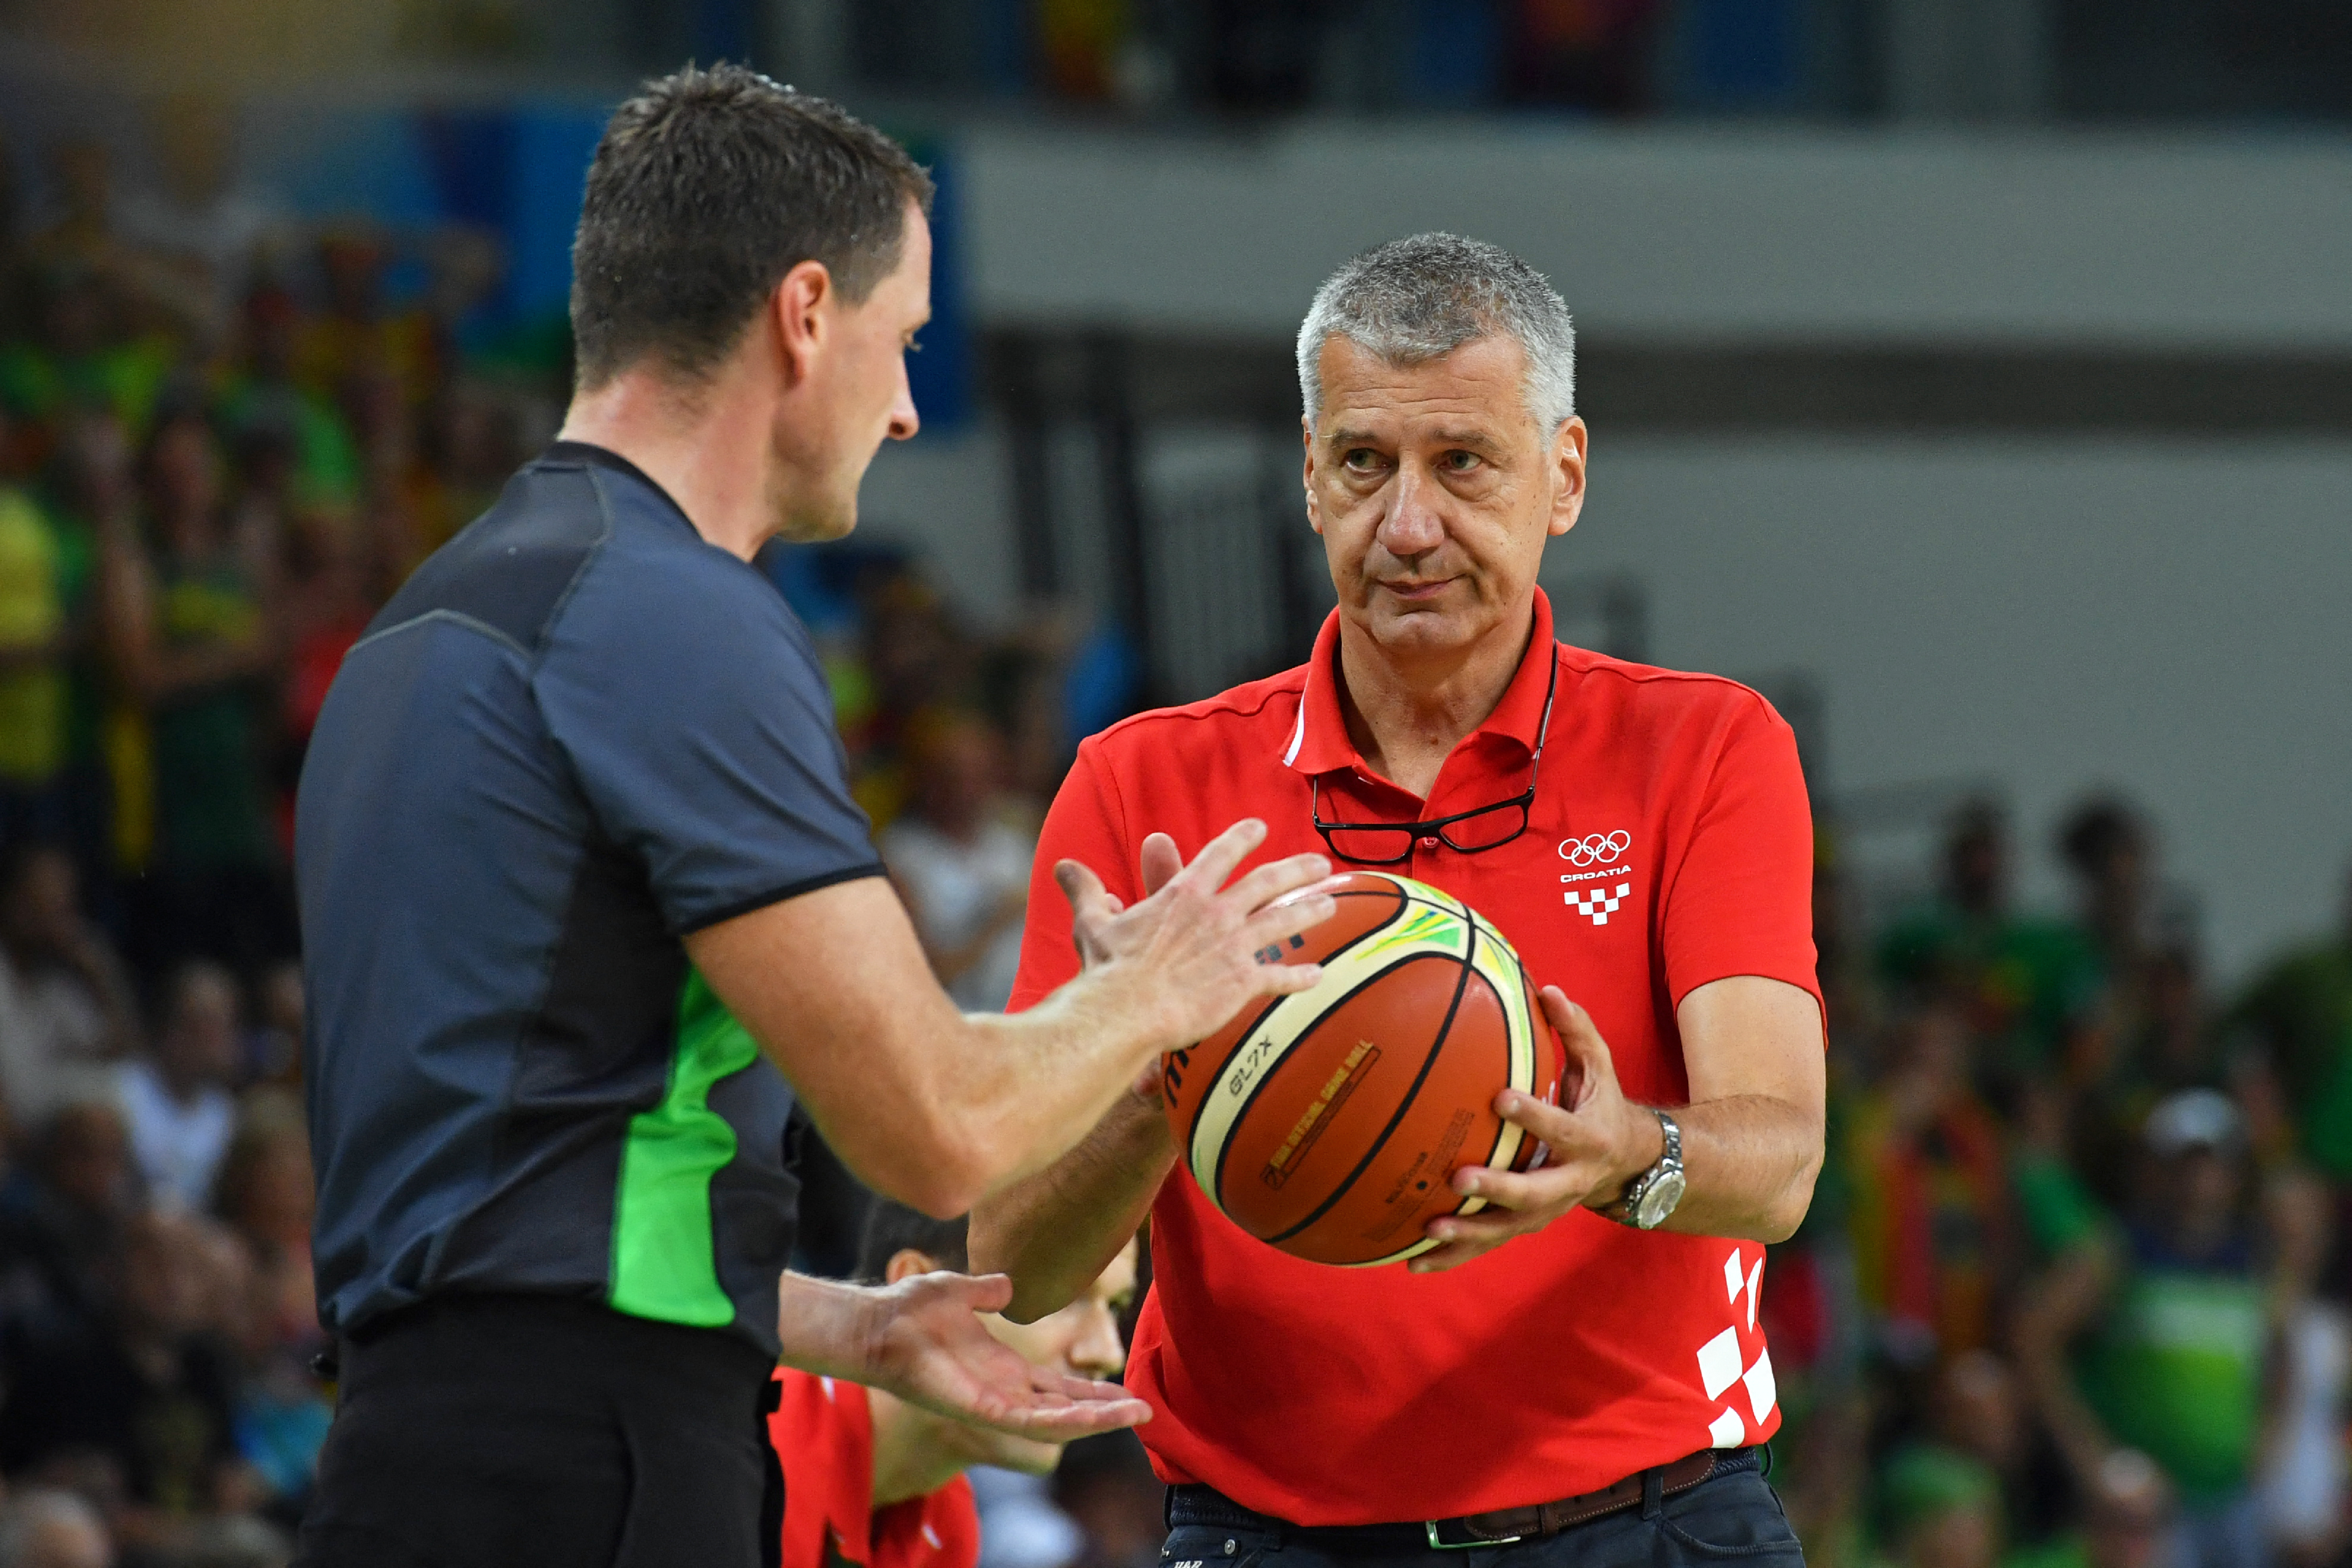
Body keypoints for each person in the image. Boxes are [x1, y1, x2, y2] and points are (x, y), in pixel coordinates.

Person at [291, 66, 1335, 1568]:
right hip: (603, 1470)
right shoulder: (673, 614)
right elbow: (941, 1123)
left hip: (410, 1456)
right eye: (901, 340)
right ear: (799, 314)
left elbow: (509, 1204)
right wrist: (1160, 993)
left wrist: (853, 1324)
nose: (910, 408)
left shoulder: (419, 632)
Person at [973, 234, 1826, 1557]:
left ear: (1564, 476)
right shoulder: (1141, 783)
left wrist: (1625, 1155)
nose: (1406, 524)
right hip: (1265, 1533)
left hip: (1652, 1520)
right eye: (1362, 464)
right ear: (1308, 482)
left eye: (1462, 464)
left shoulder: (1705, 749)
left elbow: (1776, 1160)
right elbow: (1011, 1263)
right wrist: (1162, 1076)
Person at [771, 1201, 1137, 1568]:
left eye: (1116, 1307)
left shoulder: (948, 1525)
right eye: (1058, 1298)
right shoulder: (760, 1444)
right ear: (912, 1285)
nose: (1107, 1353)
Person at [2017, 1089, 2277, 1568]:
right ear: (2154, 1168)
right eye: (2185, 1162)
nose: (2200, 1178)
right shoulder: (2116, 1249)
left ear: (2236, 1174)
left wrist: (2269, 1441)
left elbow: (2283, 1354)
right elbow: (2034, 1335)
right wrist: (2088, 1453)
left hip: (2230, 1497)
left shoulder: (2254, 1260)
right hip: (2142, 1508)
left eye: (2214, 1162)